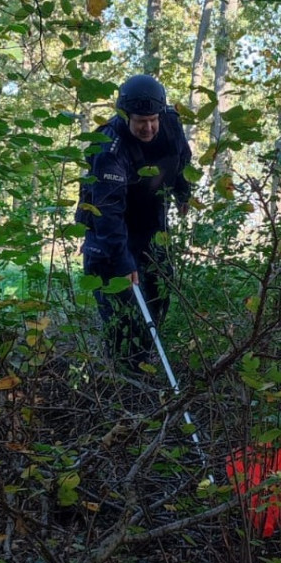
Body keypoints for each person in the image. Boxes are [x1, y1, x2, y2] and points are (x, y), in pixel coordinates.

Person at [76, 74, 192, 371]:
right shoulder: (109, 148)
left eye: (153, 119)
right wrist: (124, 263)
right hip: (109, 236)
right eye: (141, 121)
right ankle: (122, 378)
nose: (148, 127)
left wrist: (183, 191)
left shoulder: (170, 124)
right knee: (125, 312)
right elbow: (107, 213)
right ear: (126, 115)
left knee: (159, 297)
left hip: (150, 228)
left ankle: (144, 366)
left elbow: (182, 157)